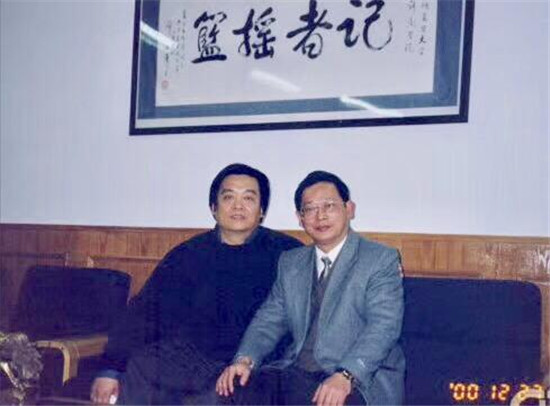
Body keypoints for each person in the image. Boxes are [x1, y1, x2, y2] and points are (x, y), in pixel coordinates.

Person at [90, 163, 302, 405]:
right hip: (194, 360)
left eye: (249, 198)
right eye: (228, 197)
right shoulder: (187, 254)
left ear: (262, 210)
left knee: (222, 393)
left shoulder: (288, 254)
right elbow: (145, 312)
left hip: (254, 364)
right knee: (143, 365)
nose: (238, 206)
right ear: (213, 208)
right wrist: (111, 369)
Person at [216, 170, 405, 406]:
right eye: (310, 209)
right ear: (300, 218)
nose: (320, 216)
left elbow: (384, 327)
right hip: (296, 372)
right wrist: (245, 359)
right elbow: (269, 320)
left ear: (349, 209)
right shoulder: (291, 262)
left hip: (359, 379)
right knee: (235, 390)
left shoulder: (379, 259)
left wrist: (346, 375)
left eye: (329, 206)